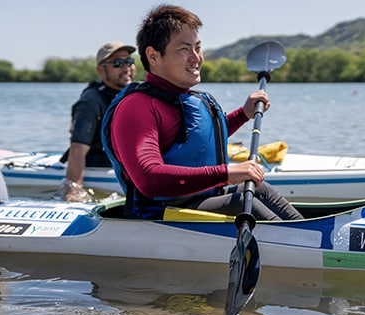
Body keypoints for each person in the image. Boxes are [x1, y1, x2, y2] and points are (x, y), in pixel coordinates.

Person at [103, 4, 303, 220]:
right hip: (162, 214)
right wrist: (226, 173)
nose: (195, 57)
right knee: (244, 204)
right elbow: (149, 179)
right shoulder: (136, 107)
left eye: (197, 48)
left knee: (260, 188)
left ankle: (312, 234)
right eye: (184, 49)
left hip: (199, 200)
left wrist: (243, 114)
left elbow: (199, 142)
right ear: (153, 56)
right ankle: (308, 247)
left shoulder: (183, 98)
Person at [61, 41, 136, 202]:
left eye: (129, 62)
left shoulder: (134, 95)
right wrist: (73, 191)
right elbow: (77, 150)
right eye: (118, 63)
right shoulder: (90, 102)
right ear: (101, 70)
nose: (126, 68)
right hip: (96, 166)